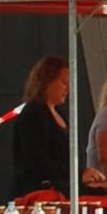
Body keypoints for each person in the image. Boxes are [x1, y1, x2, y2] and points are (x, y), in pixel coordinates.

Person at [11, 55, 73, 197]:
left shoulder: (58, 112)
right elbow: (39, 162)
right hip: (35, 193)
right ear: (47, 83)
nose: (67, 89)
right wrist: (77, 174)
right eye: (64, 83)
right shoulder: (34, 113)